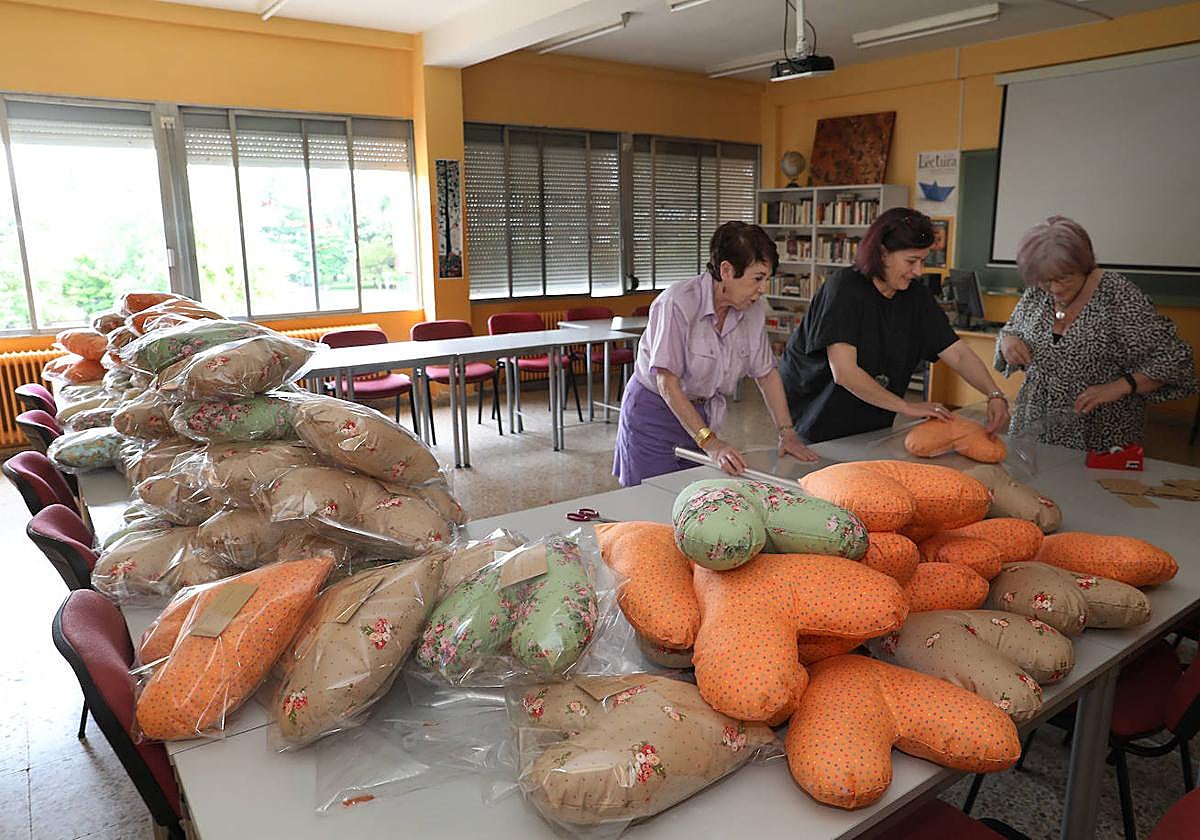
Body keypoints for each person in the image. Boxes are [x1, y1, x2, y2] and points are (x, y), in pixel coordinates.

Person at [779, 207, 1011, 443]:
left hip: (872, 415)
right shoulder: (844, 289)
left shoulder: (915, 297)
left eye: (922, 261)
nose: (918, 271)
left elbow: (958, 353)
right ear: (882, 252)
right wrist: (906, 407)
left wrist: (993, 394)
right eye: (911, 261)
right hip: (818, 410)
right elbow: (845, 372)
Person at [613, 221, 818, 486]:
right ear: (727, 270)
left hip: (702, 415)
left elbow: (766, 374)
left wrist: (787, 432)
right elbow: (667, 382)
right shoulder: (677, 302)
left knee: (692, 500)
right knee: (652, 500)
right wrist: (710, 442)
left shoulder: (752, 310)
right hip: (654, 415)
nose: (763, 289)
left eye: (767, 279)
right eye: (758, 278)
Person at [996, 216, 1196, 451]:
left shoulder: (1118, 297)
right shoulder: (1037, 292)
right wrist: (1007, 341)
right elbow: (1012, 328)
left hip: (1100, 430)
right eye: (1045, 281)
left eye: (1065, 278)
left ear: (1085, 266)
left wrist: (1120, 386)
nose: (1055, 289)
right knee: (1029, 485)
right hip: (1035, 422)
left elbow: (1175, 359)